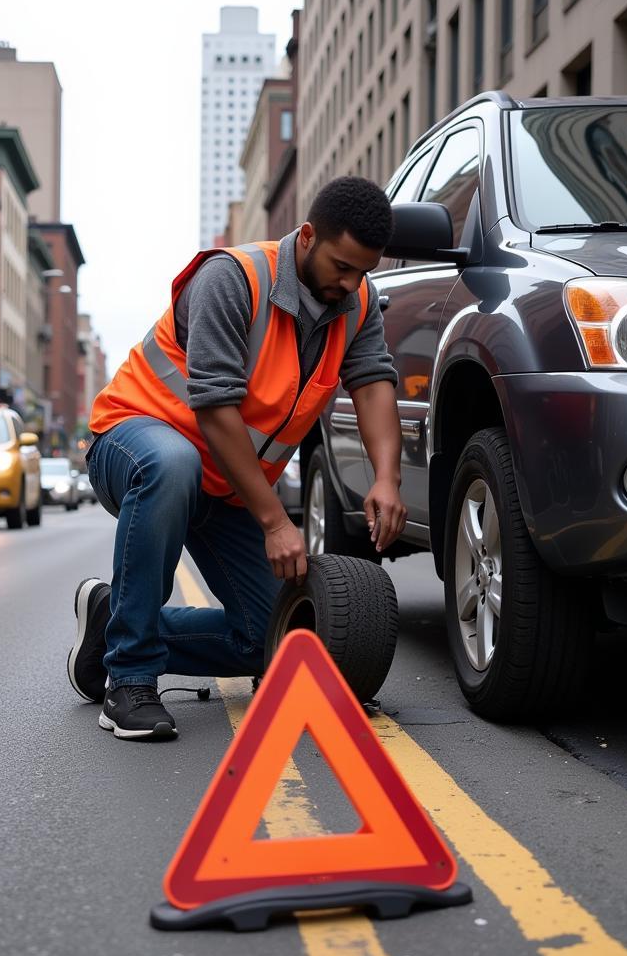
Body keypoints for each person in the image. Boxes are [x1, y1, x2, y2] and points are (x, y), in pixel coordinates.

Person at [69, 176, 407, 741]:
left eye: (363, 272)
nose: (350, 283)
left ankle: (113, 626)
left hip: (226, 485)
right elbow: (216, 408)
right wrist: (275, 520)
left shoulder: (356, 302)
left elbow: (373, 385)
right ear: (306, 237)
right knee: (173, 464)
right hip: (136, 443)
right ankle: (129, 680)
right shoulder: (231, 279)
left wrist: (388, 479)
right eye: (341, 266)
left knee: (267, 639)